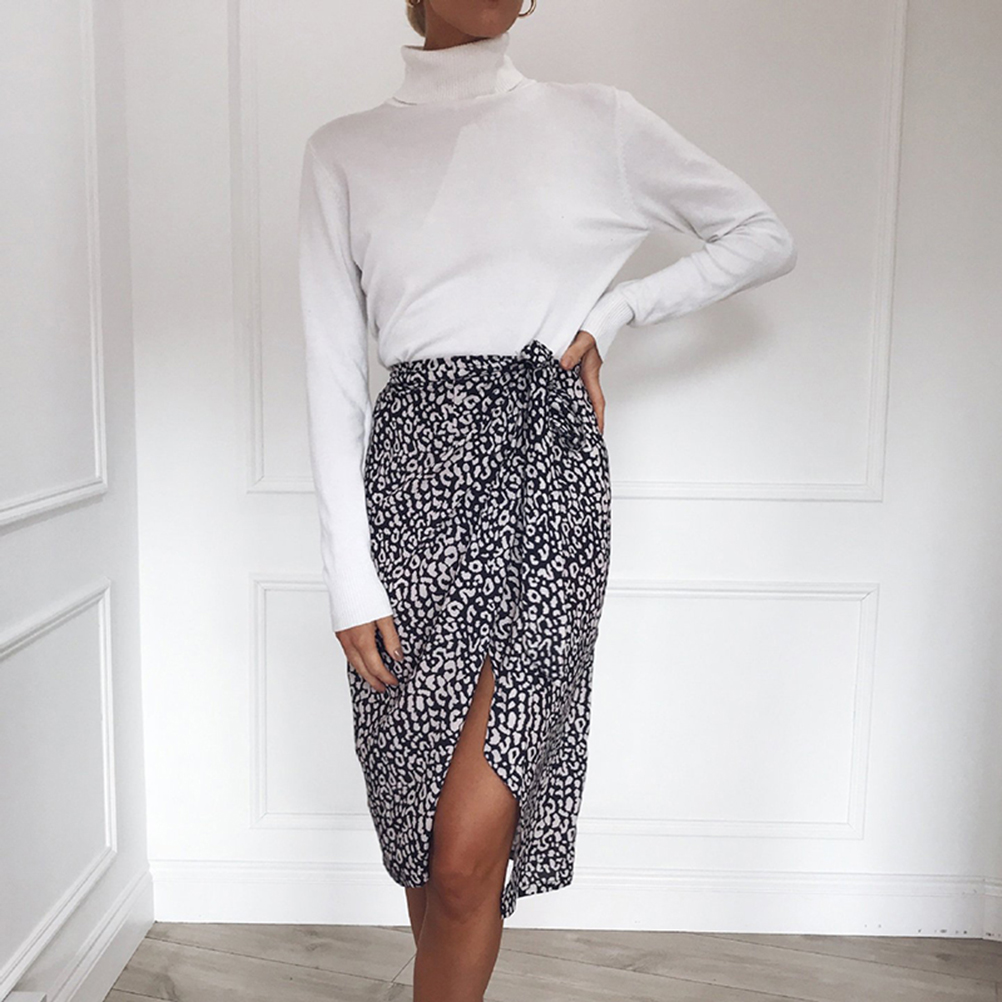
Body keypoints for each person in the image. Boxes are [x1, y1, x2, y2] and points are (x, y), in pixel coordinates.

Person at [297, 1, 797, 999]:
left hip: (549, 493)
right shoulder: (342, 152)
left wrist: (615, 311)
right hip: (409, 499)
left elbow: (761, 235)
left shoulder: (598, 122)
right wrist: (348, 576)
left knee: (465, 857)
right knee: (423, 838)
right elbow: (331, 373)